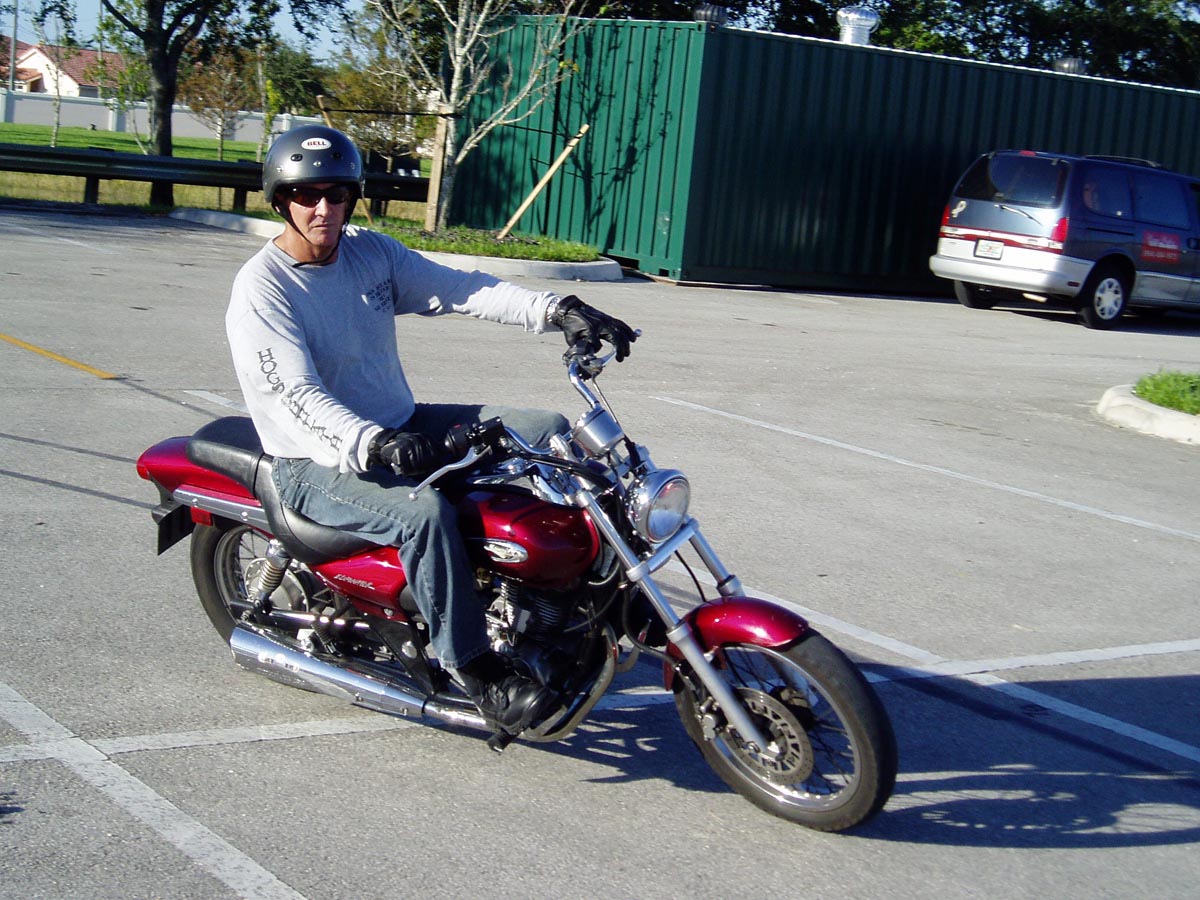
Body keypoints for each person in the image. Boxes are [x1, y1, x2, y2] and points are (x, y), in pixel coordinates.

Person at [225, 125, 636, 735]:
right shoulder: (264, 288)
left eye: (337, 194)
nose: (323, 208)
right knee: (424, 514)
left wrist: (559, 309)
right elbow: (294, 395)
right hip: (315, 463)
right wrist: (374, 443)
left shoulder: (370, 254)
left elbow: (463, 288)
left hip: (400, 425)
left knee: (546, 431)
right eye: (307, 195)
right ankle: (475, 670)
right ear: (281, 200)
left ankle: (583, 592)